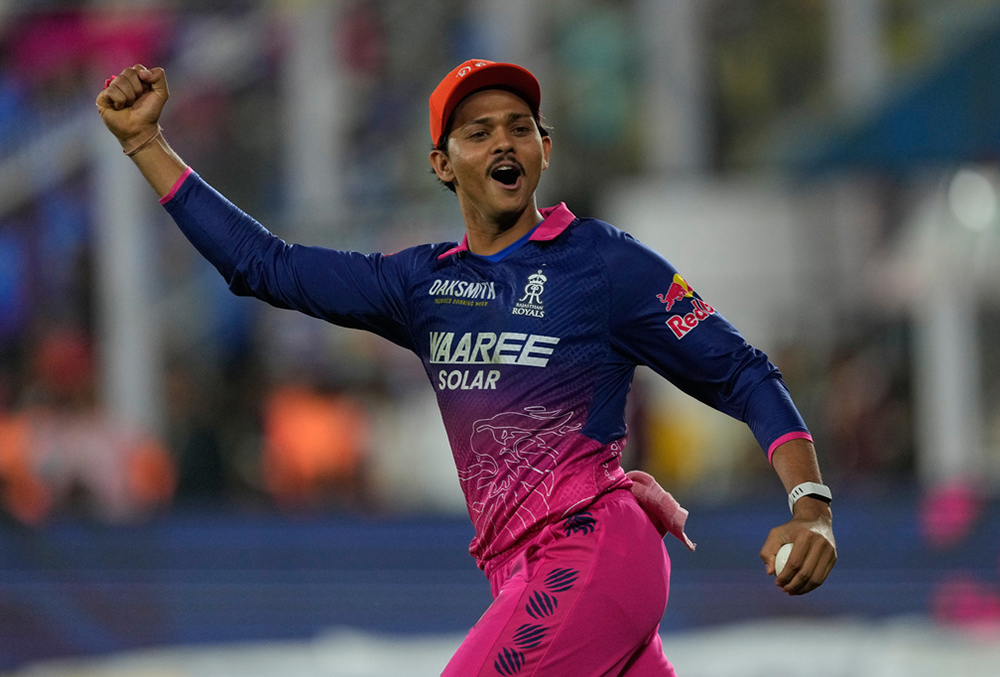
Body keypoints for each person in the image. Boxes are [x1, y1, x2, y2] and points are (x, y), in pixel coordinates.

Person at [97, 58, 837, 676]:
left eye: (520, 127)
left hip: (592, 547)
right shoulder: (420, 285)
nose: (503, 141)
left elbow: (742, 372)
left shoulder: (604, 264)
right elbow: (265, 266)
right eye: (478, 132)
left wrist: (811, 507)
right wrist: (145, 143)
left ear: (545, 148)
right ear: (442, 164)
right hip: (524, 574)